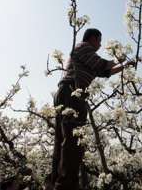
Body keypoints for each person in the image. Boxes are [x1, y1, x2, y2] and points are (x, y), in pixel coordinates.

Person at [51, 28, 135, 190]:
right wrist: (120, 58)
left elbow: (107, 71)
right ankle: (66, 184)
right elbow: (103, 64)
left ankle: (58, 181)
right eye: (99, 40)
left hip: (67, 93)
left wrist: (126, 64)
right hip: (71, 92)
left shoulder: (88, 57)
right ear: (92, 38)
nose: (100, 44)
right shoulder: (83, 47)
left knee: (64, 139)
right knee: (72, 140)